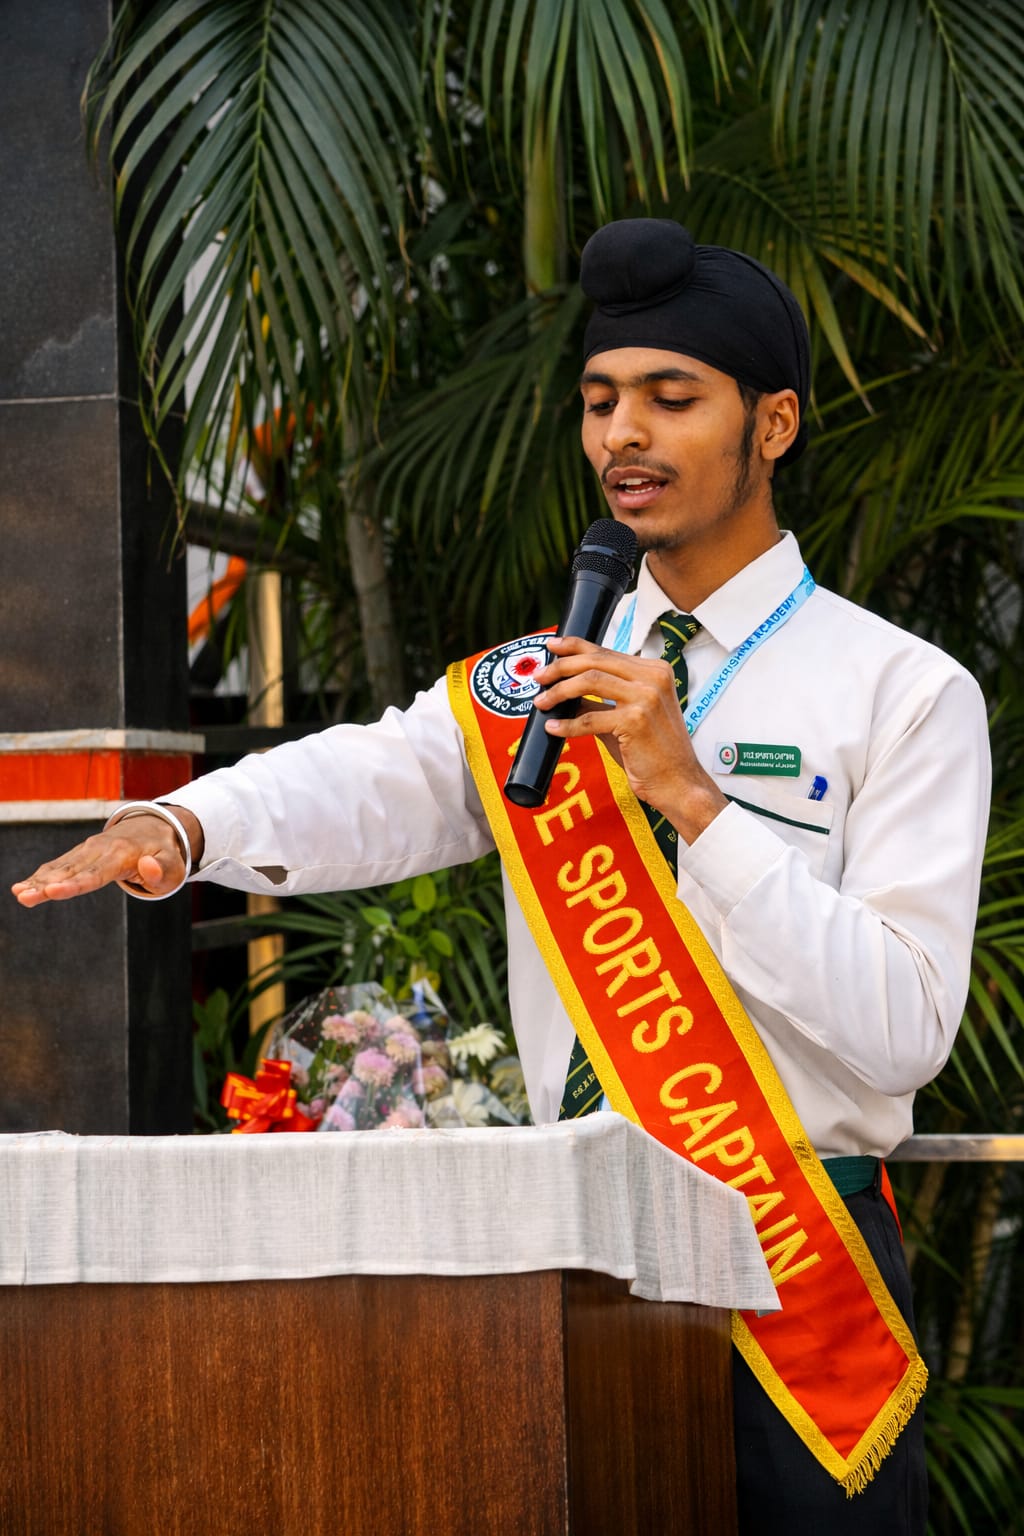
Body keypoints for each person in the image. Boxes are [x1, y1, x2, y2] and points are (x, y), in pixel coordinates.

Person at [12, 219, 990, 1533]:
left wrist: (695, 803)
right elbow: (372, 776)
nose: (621, 436)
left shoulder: (904, 690)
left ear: (773, 425)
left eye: (670, 398)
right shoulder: (535, 687)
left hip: (800, 1270)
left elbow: (905, 1026)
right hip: (575, 1265)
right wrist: (185, 829)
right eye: (600, 402)